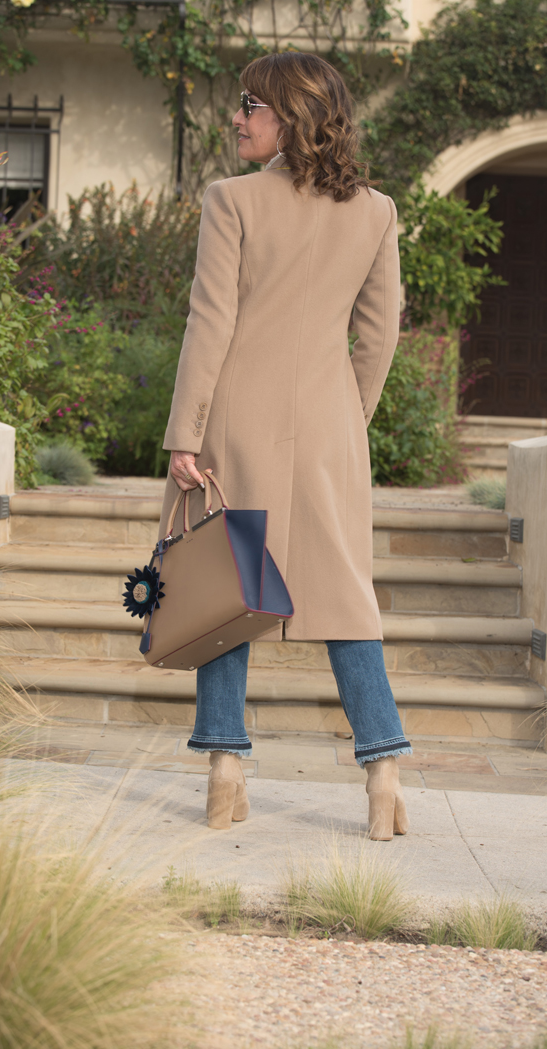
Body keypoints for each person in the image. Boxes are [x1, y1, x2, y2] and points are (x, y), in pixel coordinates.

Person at [157, 51, 412, 840]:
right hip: (330, 428)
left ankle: (226, 771)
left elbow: (212, 323)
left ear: (291, 116)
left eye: (250, 105)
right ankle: (384, 777)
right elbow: (379, 333)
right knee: (345, 600)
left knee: (227, 590)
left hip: (235, 420)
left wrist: (184, 433)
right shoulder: (375, 211)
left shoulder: (231, 200)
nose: (237, 117)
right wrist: (347, 416)